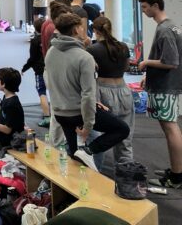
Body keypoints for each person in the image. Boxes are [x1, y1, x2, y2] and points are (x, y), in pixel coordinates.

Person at [45, 12, 130, 171]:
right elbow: (88, 94)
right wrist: (88, 126)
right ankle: (89, 151)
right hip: (78, 113)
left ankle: (74, 187)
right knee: (122, 129)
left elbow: (54, 83)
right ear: (76, 29)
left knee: (74, 156)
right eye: (82, 26)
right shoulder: (84, 57)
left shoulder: (51, 53)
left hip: (60, 113)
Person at [138, 0, 182, 188]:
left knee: (170, 128)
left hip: (166, 87)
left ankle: (177, 176)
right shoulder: (170, 26)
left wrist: (147, 62)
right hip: (167, 84)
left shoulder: (165, 29)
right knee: (170, 127)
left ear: (155, 6)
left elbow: (171, 62)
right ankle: (176, 169)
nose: (144, 11)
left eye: (145, 7)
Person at [87, 16, 134, 166]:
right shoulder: (123, 47)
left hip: (102, 92)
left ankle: (96, 170)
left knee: (97, 134)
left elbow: (89, 69)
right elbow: (126, 67)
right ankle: (126, 177)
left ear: (95, 31)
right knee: (125, 136)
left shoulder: (92, 50)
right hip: (124, 91)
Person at [21, 17, 51, 128]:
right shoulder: (50, 39)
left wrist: (24, 68)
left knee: (42, 92)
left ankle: (47, 117)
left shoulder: (34, 41)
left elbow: (32, 58)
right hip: (52, 68)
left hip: (40, 70)